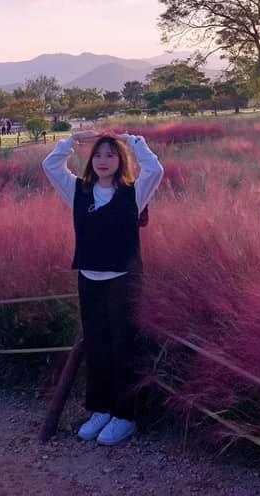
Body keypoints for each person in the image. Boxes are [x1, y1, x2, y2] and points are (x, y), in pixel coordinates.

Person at [42, 128, 163, 447]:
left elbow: (155, 169)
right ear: (90, 160)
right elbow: (51, 166)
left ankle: (126, 416)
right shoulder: (78, 192)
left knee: (125, 346)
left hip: (124, 280)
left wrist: (134, 141)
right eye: (98, 155)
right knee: (96, 346)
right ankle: (100, 409)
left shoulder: (134, 193)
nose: (103, 160)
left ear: (120, 159)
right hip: (89, 279)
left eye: (111, 155)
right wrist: (72, 141)